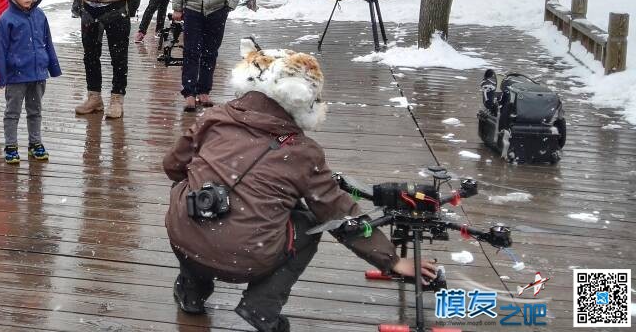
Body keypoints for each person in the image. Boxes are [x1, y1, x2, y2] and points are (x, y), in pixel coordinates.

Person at [163, 43, 437, 332]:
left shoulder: (214, 118)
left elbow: (172, 166)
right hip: (247, 258)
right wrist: (391, 260)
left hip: (184, 240)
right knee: (308, 224)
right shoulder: (303, 152)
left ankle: (191, 293)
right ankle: (262, 305)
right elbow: (337, 212)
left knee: (190, 199)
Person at [0, 0, 62, 163]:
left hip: (38, 73)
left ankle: (35, 143)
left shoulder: (40, 16)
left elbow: (47, 42)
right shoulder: (6, 19)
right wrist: (0, 76)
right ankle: (11, 145)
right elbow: (0, 50)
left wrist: (53, 66)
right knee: (12, 112)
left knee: (35, 111)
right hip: (16, 75)